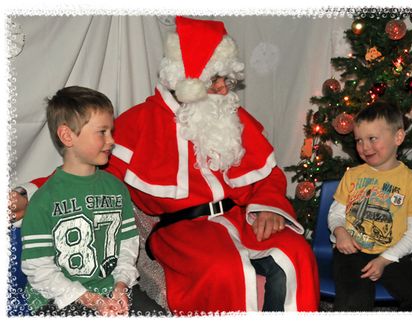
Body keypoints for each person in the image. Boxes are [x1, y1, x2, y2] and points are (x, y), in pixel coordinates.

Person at [11, 17, 319, 313]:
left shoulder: (234, 118)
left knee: (296, 253)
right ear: (188, 80)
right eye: (215, 80)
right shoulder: (141, 123)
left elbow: (267, 172)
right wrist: (31, 191)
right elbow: (83, 168)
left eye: (227, 79)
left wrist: (267, 205)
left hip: (242, 220)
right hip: (185, 232)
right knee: (225, 270)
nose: (225, 89)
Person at [19, 86, 165, 316]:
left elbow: (127, 246)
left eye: (111, 131)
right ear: (67, 136)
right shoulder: (45, 199)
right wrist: (89, 299)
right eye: (102, 132)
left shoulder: (116, 188)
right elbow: (38, 268)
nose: (111, 140)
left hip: (111, 289)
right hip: (58, 298)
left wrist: (121, 285)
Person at [327, 101, 412, 311]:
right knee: (354, 299)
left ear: (398, 137)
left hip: (392, 253)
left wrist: (385, 260)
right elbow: (336, 213)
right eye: (359, 140)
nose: (364, 147)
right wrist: (340, 232)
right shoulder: (353, 176)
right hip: (352, 250)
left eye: (372, 139)